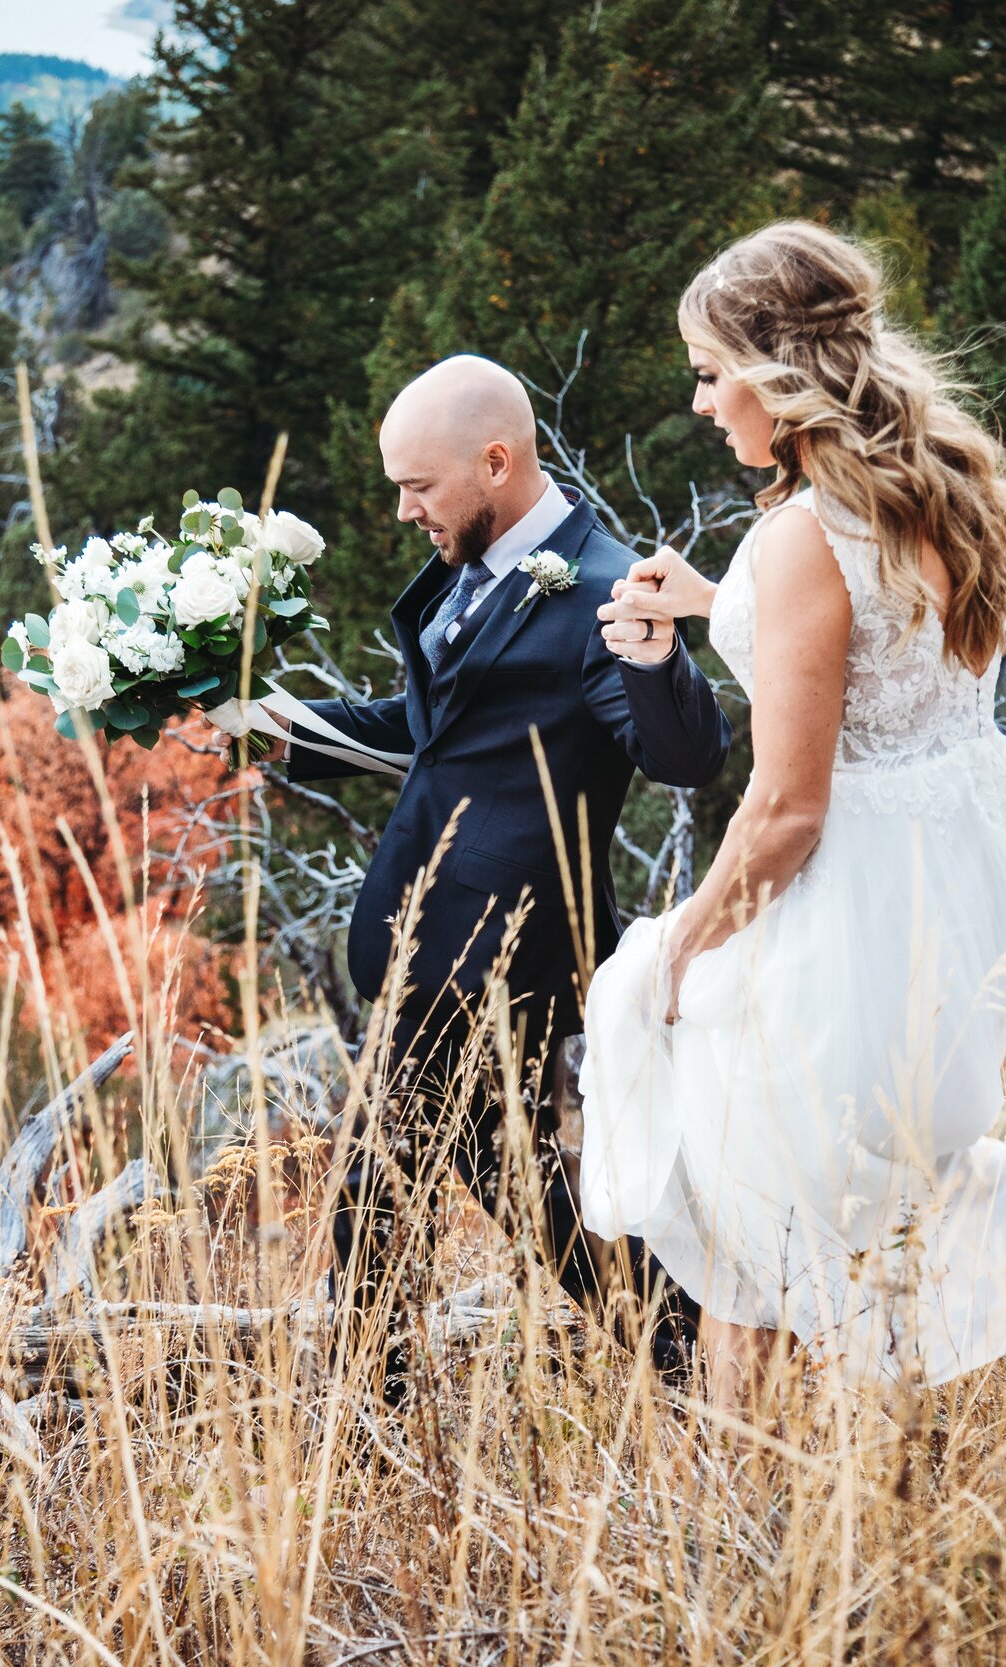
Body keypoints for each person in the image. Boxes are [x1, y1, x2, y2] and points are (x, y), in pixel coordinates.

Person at [582, 223, 1006, 1415]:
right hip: (948, 872)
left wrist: (686, 944)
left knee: (753, 1182)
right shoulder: (943, 479)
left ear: (771, 369)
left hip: (844, 894)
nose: (699, 402)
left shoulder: (799, 536)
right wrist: (713, 600)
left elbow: (785, 807)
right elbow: (872, 650)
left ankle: (738, 1513)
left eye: (706, 370)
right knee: (847, 1168)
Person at [266, 354, 733, 1397]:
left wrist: (659, 662)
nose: (402, 511)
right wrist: (274, 730)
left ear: (494, 462)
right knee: (509, 1176)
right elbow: (428, 733)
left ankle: (367, 1404)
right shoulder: (473, 571)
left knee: (386, 1175)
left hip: (502, 954)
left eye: (418, 486)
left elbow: (687, 757)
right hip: (430, 946)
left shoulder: (604, 586)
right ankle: (688, 1346)